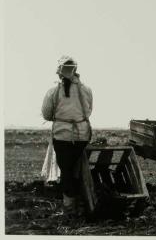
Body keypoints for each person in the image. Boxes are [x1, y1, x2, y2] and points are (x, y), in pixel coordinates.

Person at [41, 55, 93, 215]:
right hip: (82, 136)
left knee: (67, 172)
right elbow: (89, 111)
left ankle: (70, 209)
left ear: (59, 72)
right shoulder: (86, 90)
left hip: (62, 137)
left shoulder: (53, 92)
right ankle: (82, 205)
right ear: (75, 70)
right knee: (78, 170)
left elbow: (46, 114)